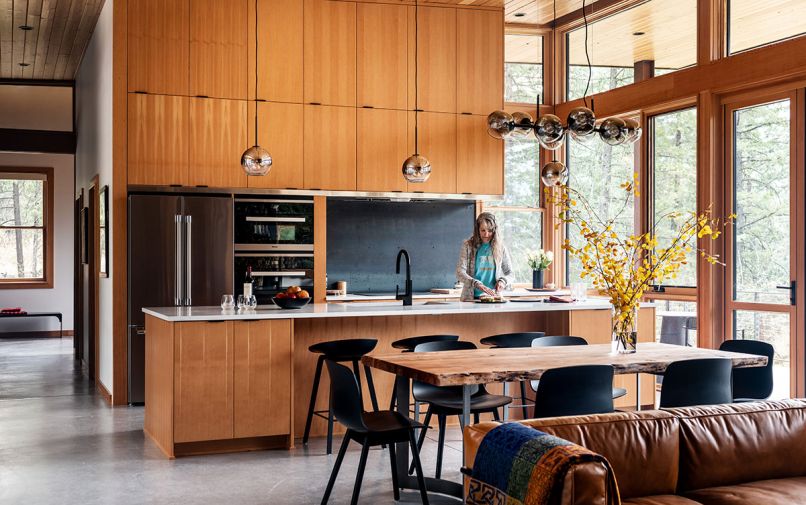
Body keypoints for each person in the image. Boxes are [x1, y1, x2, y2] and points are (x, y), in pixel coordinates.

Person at [456, 212, 515, 301]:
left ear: (494, 231)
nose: (486, 234)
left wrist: (503, 281)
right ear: (477, 230)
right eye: (483, 230)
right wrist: (476, 283)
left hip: (494, 298)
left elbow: (510, 273)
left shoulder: (500, 247)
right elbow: (459, 272)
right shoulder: (468, 246)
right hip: (471, 299)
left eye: (490, 231)